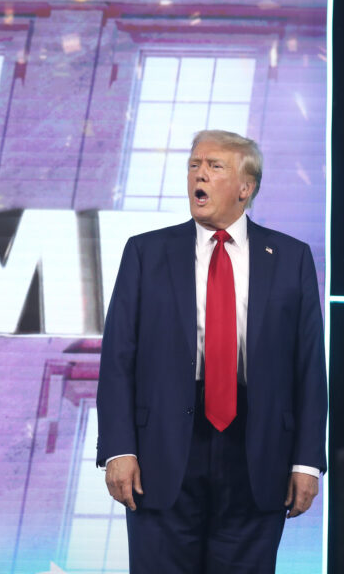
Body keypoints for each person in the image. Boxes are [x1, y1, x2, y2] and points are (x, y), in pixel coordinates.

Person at [96, 129, 327, 573]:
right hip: (161, 450)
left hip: (257, 452)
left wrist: (307, 461)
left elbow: (308, 367)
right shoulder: (146, 252)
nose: (198, 174)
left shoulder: (291, 258)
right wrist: (119, 448)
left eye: (214, 166)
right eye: (193, 165)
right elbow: (118, 358)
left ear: (246, 187)